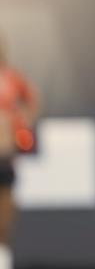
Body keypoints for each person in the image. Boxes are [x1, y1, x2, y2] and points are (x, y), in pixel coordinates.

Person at [0, 38, 39, 269]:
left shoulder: (12, 79)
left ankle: (2, 256)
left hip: (5, 158)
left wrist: (20, 127)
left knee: (4, 213)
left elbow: (32, 102)